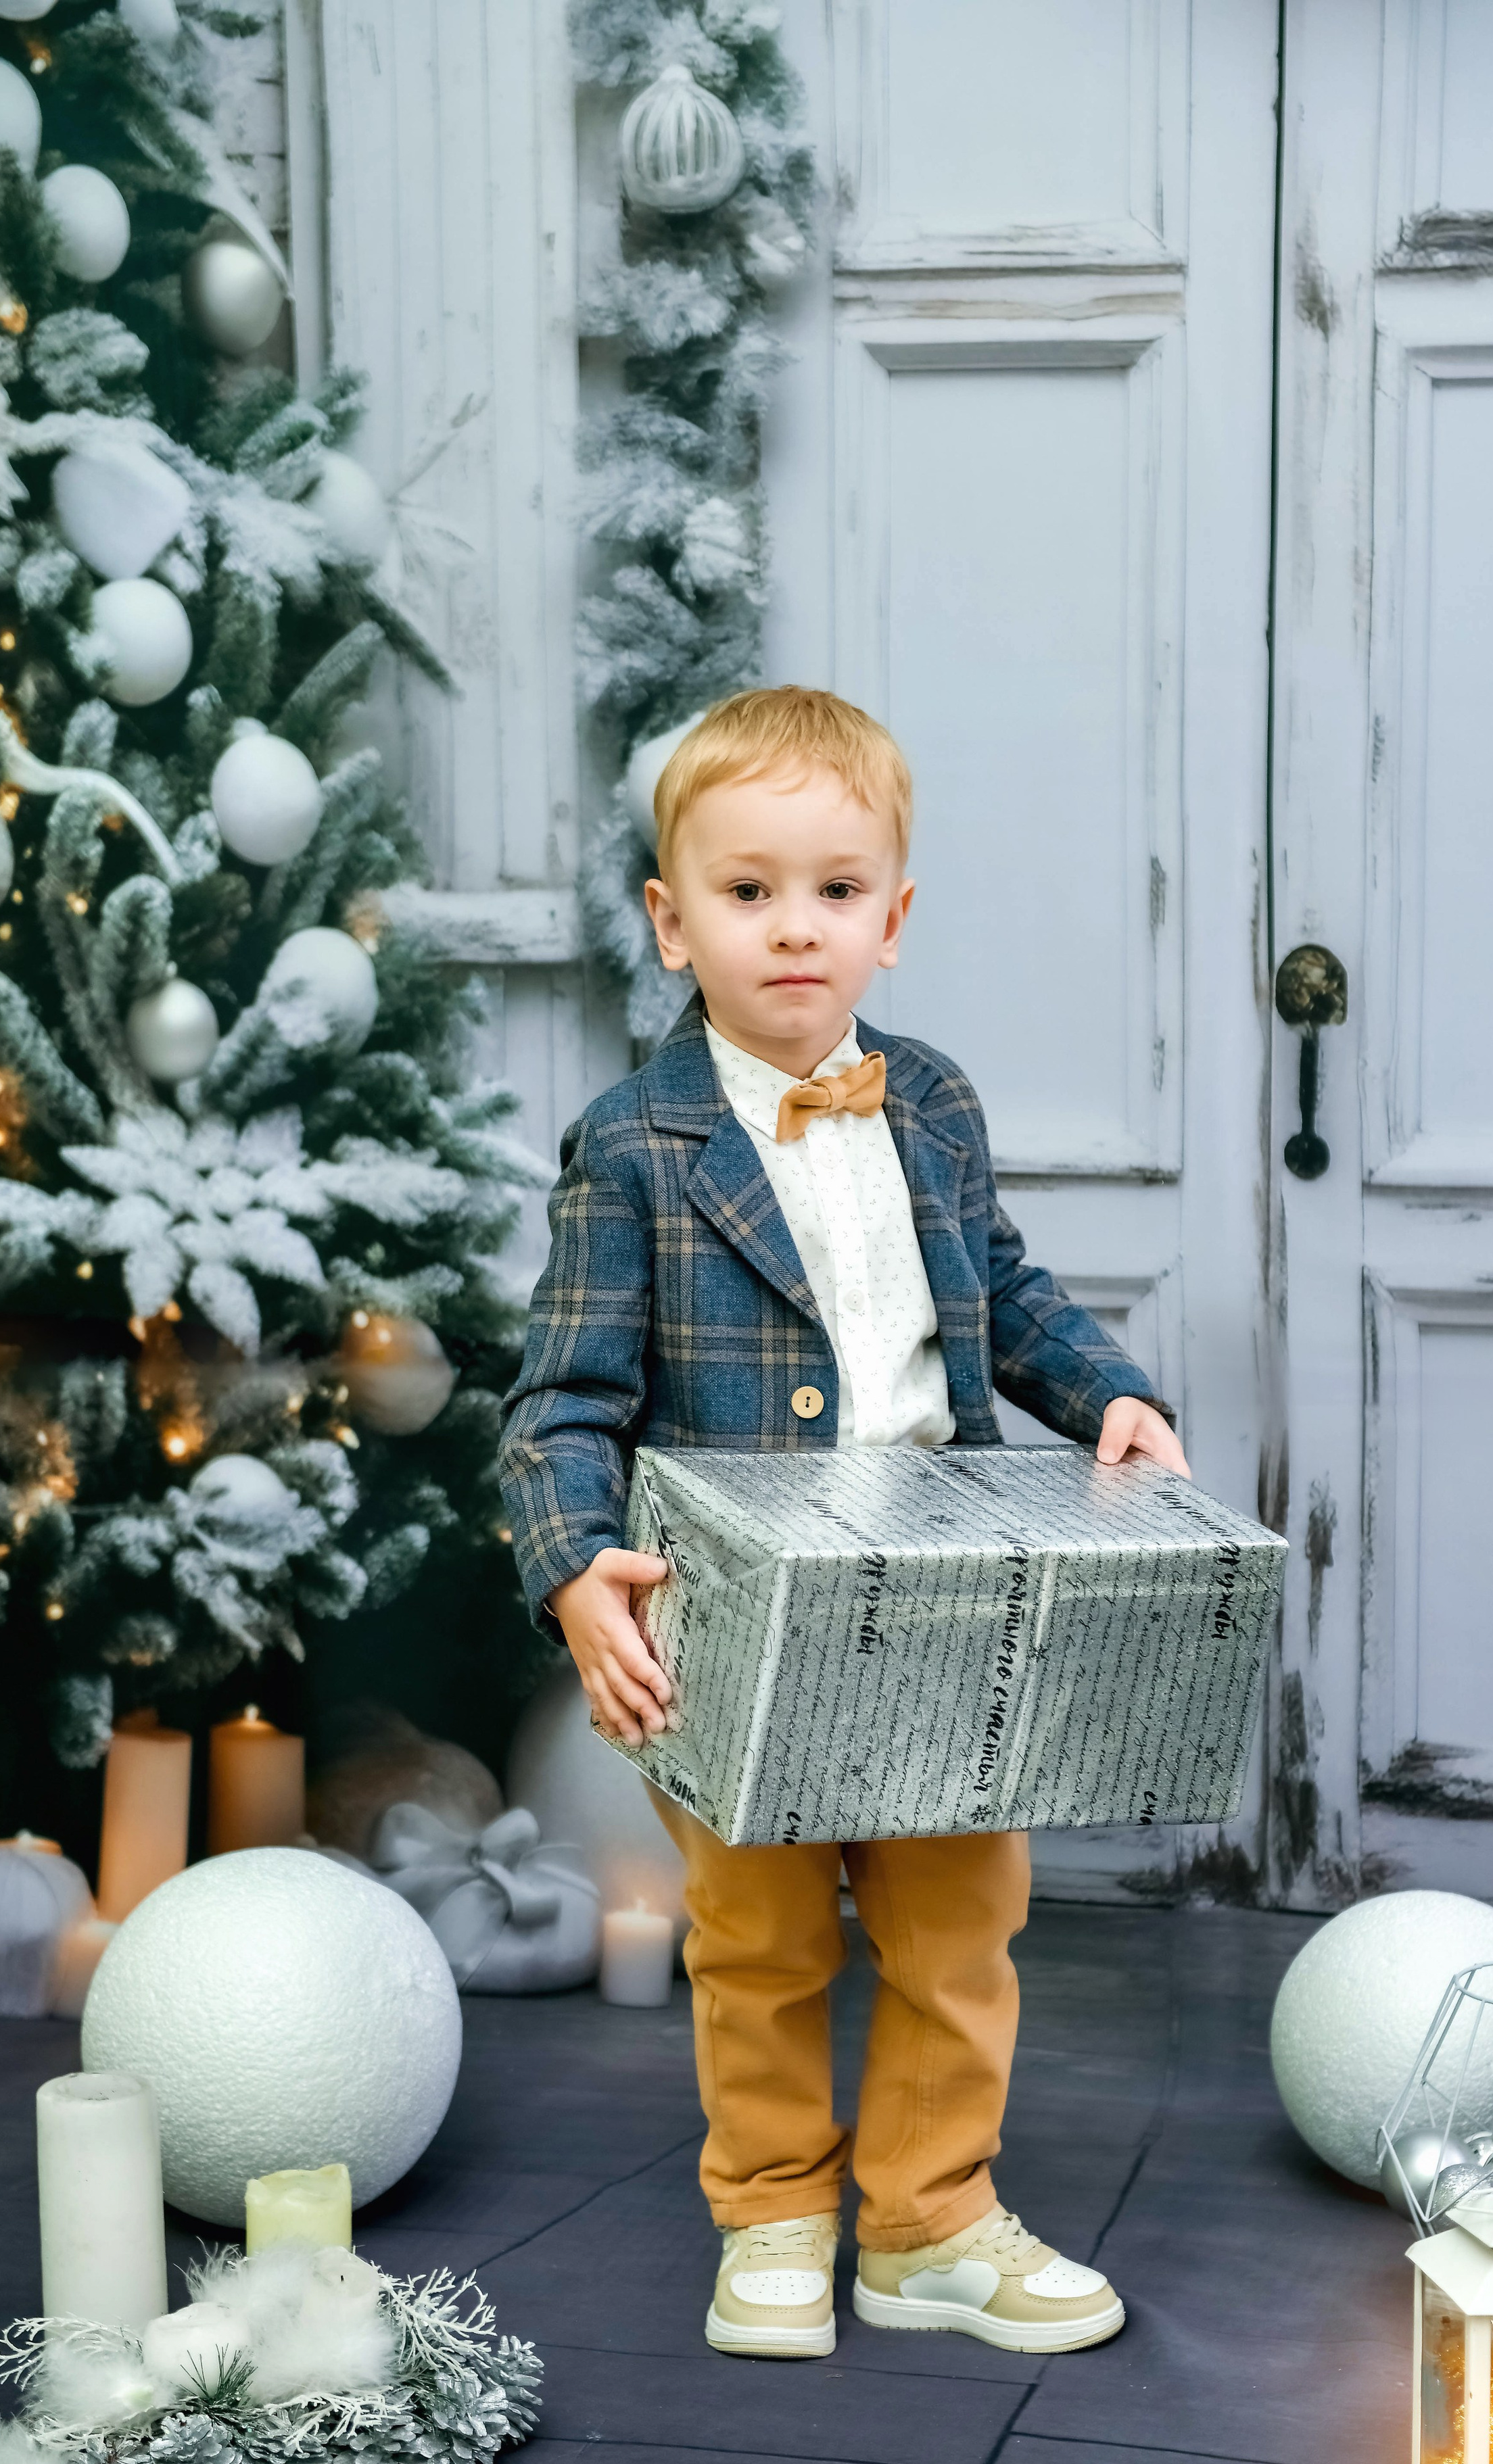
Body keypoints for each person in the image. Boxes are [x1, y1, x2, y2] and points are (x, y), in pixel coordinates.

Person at [498, 687, 1189, 2361]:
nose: (790, 928)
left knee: (963, 1921)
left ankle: (931, 2220)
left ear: (892, 916)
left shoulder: (931, 1105)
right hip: (740, 1626)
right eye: (745, 893)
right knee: (758, 1935)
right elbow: (560, 1402)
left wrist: (1101, 1388)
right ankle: (776, 2208)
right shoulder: (633, 1147)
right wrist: (579, 1568)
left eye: (831, 890)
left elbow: (1004, 1294)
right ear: (672, 923)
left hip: (943, 1603)